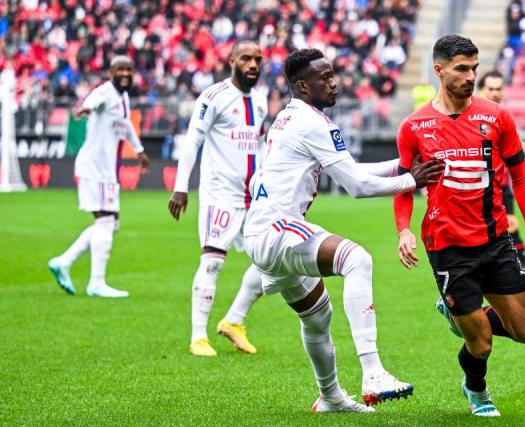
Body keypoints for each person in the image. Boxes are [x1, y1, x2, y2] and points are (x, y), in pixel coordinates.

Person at [242, 48, 443, 411]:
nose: (335, 83)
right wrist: (410, 180)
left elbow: (350, 168)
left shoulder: (290, 117)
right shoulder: (313, 123)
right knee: (357, 260)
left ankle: (331, 396)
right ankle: (373, 372)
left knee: (317, 316)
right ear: (304, 86)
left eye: (334, 75)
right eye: (325, 77)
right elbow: (358, 187)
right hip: (276, 228)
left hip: (262, 232)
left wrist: (399, 165)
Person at [394, 35, 525, 417]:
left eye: (474, 69)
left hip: (496, 239)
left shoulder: (496, 117)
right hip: (448, 246)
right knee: (480, 345)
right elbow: (404, 185)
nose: (470, 76)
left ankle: (460, 313)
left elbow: (521, 180)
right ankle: (477, 390)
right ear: (440, 70)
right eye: (462, 69)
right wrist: (404, 229)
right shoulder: (414, 126)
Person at [167, 41, 267, 357]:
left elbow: (261, 147)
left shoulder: (261, 102)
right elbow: (193, 140)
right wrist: (180, 186)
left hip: (254, 199)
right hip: (220, 195)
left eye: (258, 60)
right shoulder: (214, 97)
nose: (253, 64)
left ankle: (234, 321)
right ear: (232, 60)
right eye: (247, 58)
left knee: (272, 262)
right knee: (212, 263)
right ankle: (198, 337)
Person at [48, 56, 151, 298]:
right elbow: (94, 100)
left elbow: (125, 126)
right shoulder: (104, 92)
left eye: (129, 69)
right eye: (120, 69)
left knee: (109, 223)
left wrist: (140, 151)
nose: (125, 73)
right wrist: (87, 107)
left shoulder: (124, 97)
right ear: (110, 72)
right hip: (96, 169)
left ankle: (64, 261)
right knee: (106, 222)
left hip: (106, 171)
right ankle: (96, 283)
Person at [477, 70, 525, 287]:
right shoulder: (475, 119)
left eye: (498, 89)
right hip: (483, 187)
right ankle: (523, 270)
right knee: (502, 228)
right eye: (490, 89)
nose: (495, 93)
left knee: (509, 226)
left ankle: (524, 270)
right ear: (482, 90)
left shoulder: (502, 116)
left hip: (503, 184)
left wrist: (516, 151)